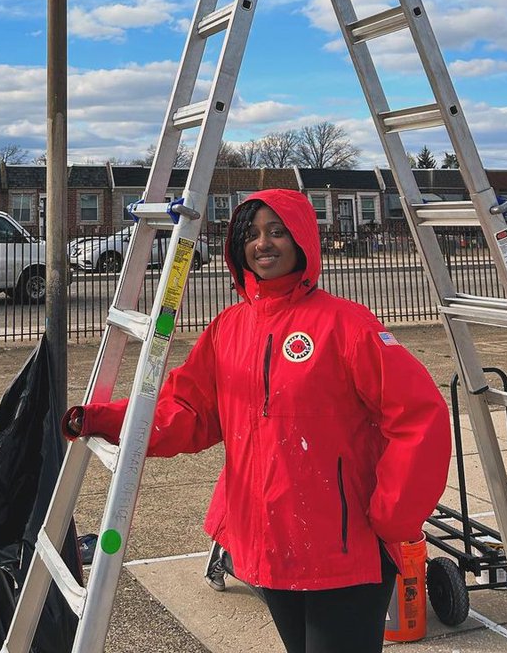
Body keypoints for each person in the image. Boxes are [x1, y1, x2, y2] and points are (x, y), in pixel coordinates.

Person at [63, 189, 451, 653]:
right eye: (251, 234)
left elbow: (419, 418)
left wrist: (394, 516)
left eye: (277, 231)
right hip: (271, 543)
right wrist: (98, 418)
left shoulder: (347, 325)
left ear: (303, 238)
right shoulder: (229, 327)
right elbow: (186, 411)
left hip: (343, 548)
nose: (263, 243)